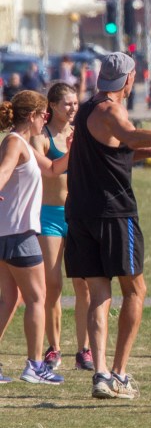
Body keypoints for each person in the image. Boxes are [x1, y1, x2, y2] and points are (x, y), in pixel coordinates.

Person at [64, 52, 151, 400]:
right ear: (128, 80)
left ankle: (100, 374)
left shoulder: (87, 108)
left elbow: (112, 150)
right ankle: (120, 374)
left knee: (99, 295)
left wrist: (149, 152)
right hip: (114, 214)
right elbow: (130, 136)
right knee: (135, 290)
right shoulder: (111, 110)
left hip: (81, 213)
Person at [0, 91, 70, 385]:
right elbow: (3, 171)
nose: (47, 119)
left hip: (9, 232)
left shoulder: (25, 146)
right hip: (20, 234)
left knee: (8, 300)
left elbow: (54, 169)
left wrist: (78, 148)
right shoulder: (15, 142)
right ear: (32, 116)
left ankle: (34, 363)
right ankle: (34, 365)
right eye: (44, 115)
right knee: (38, 299)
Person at [29, 83, 93, 372]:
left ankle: (85, 350)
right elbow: (45, 169)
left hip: (77, 213)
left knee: (84, 284)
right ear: (52, 106)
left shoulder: (81, 133)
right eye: (67, 104)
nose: (73, 109)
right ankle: (54, 348)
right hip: (48, 216)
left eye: (75, 104)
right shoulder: (40, 138)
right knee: (53, 285)